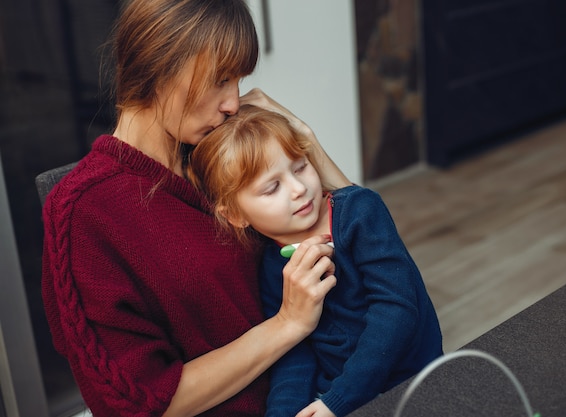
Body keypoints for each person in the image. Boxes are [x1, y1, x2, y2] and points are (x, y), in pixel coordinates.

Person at [40, 1, 351, 416]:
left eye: (237, 81)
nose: (233, 104)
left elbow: (369, 241)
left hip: (335, 388)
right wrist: (286, 325)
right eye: (221, 79)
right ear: (159, 64)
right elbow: (137, 402)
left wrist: (305, 140)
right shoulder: (83, 213)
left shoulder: (220, 159)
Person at [186, 104, 443, 417]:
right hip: (334, 394)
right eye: (272, 188)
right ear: (236, 216)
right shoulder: (271, 265)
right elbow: (295, 351)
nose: (298, 189)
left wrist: (338, 401)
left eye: (300, 167)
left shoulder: (360, 212)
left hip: (409, 384)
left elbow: (397, 310)